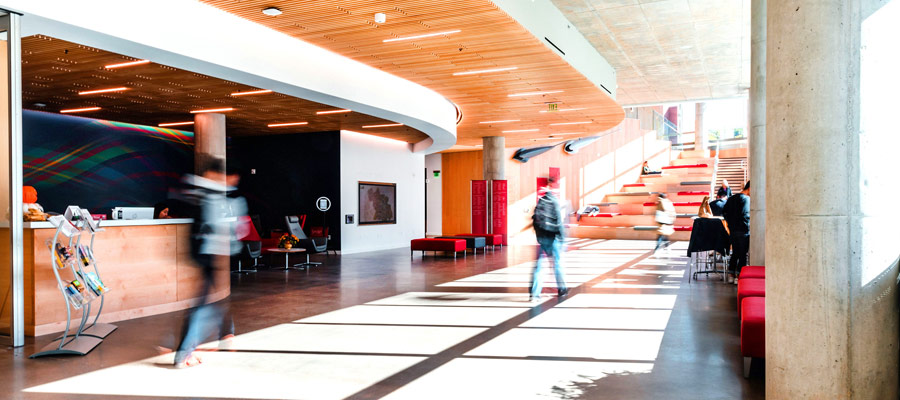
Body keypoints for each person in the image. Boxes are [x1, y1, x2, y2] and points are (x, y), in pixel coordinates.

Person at [170, 156, 243, 368]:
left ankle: (221, 336)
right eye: (231, 178)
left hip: (207, 254)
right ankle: (183, 354)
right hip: (206, 253)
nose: (232, 182)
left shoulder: (204, 191)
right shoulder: (208, 192)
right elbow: (213, 224)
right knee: (203, 306)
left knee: (212, 303)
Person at [530, 176, 568, 302]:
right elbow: (558, 220)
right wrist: (562, 238)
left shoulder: (541, 201)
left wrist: (539, 236)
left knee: (539, 266)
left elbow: (535, 219)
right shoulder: (554, 201)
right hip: (553, 238)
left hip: (542, 238)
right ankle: (562, 288)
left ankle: (534, 293)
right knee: (557, 263)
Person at [722, 181, 751, 283]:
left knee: (735, 253)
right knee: (742, 254)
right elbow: (746, 215)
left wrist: (730, 224)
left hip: (733, 231)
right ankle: (738, 277)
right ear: (750, 188)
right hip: (743, 231)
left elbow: (724, 211)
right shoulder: (746, 199)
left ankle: (731, 274)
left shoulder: (732, 198)